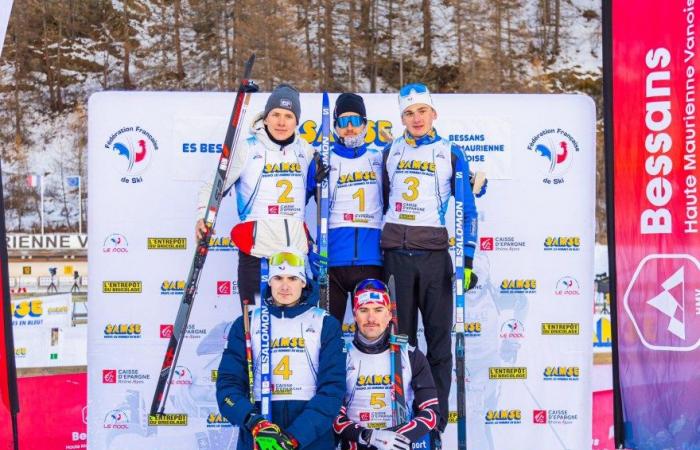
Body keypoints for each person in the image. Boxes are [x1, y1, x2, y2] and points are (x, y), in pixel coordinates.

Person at [381, 83, 479, 433]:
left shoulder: (450, 153)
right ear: (402, 118)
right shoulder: (389, 151)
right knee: (400, 344)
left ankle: (434, 425)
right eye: (409, 113)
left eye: (422, 111)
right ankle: (405, 420)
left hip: (435, 258)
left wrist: (467, 261)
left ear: (433, 113)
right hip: (395, 259)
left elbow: (468, 210)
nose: (416, 118)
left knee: (439, 344)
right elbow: (381, 198)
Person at [195, 84, 316, 307]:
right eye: (276, 115)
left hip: (295, 255)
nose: (281, 122)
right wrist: (204, 215)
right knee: (254, 324)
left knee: (291, 329)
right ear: (266, 118)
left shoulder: (306, 151)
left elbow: (315, 191)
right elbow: (213, 186)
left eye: (288, 116)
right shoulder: (248, 149)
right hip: (257, 251)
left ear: (296, 121)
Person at [216, 248, 346, 450]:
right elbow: (227, 386)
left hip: (311, 439)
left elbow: (332, 391)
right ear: (269, 281)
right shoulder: (247, 323)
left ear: (303, 281)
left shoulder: (325, 324)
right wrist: (254, 422)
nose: (285, 286)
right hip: (260, 435)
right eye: (278, 278)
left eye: (293, 278)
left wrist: (294, 437)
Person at [334, 279, 440, 450]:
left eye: (378, 310)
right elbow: (334, 416)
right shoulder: (341, 356)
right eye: (363, 310)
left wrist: (395, 437)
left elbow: (432, 413)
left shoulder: (410, 355)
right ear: (354, 314)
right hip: (357, 444)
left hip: (398, 444)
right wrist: (369, 436)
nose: (371, 318)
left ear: (389, 314)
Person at [308, 93, 384, 324]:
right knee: (329, 332)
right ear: (335, 127)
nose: (349, 128)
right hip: (332, 262)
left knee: (374, 330)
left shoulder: (379, 158)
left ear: (365, 124)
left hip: (372, 260)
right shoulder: (323, 160)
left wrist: (469, 183)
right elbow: (295, 202)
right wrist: (314, 180)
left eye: (355, 121)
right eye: (342, 122)